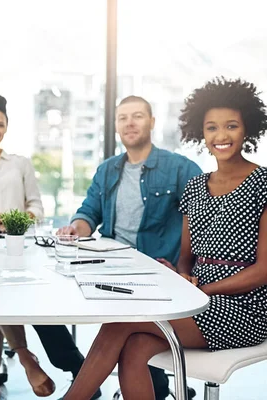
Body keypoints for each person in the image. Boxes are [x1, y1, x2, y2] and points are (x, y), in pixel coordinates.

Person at [60, 77, 267, 400]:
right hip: (195, 297)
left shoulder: (262, 183)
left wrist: (201, 289)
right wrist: (180, 274)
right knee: (134, 348)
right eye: (212, 128)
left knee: (120, 324)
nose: (221, 136)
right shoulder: (196, 186)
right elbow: (187, 257)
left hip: (244, 307)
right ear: (202, 133)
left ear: (247, 129)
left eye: (231, 126)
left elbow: (263, 271)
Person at [0, 95, 92, 400]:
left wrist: (14, 219)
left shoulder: (20, 164)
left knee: (2, 291)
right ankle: (20, 359)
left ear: (7, 127)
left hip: (17, 245)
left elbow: (37, 207)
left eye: (0, 124)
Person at [58, 95, 202, 399]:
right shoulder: (107, 170)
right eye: (122, 118)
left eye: (137, 116)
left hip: (158, 274)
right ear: (116, 127)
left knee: (126, 327)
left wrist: (187, 269)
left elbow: (202, 222)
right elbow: (89, 213)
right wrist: (76, 228)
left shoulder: (180, 168)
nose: (130, 123)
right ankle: (156, 389)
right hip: (114, 271)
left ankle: (152, 388)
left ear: (151, 122)